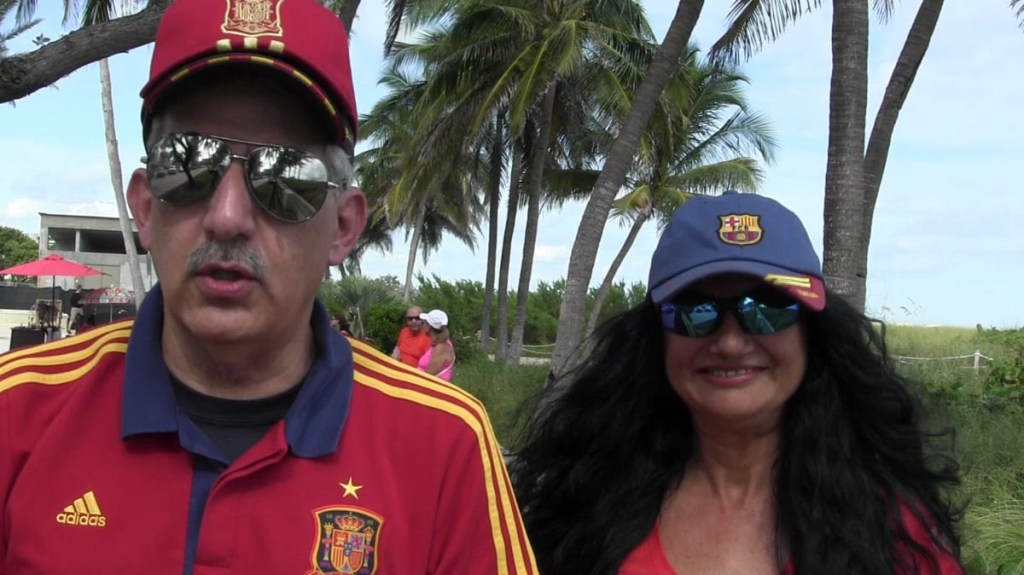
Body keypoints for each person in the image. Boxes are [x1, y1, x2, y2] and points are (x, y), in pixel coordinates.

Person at [0, 1, 536, 573]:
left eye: (285, 175)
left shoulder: (444, 443)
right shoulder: (16, 412)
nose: (227, 216)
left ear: (344, 227)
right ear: (146, 207)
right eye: (188, 163)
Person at [510, 191, 963, 575]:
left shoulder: (895, 531)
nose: (730, 342)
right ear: (655, 338)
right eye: (695, 311)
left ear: (812, 334)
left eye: (767, 309)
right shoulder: (581, 508)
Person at [417, 309, 456, 381]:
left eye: (424, 323)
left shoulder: (441, 348)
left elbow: (428, 375)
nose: (422, 325)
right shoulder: (440, 344)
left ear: (430, 326)